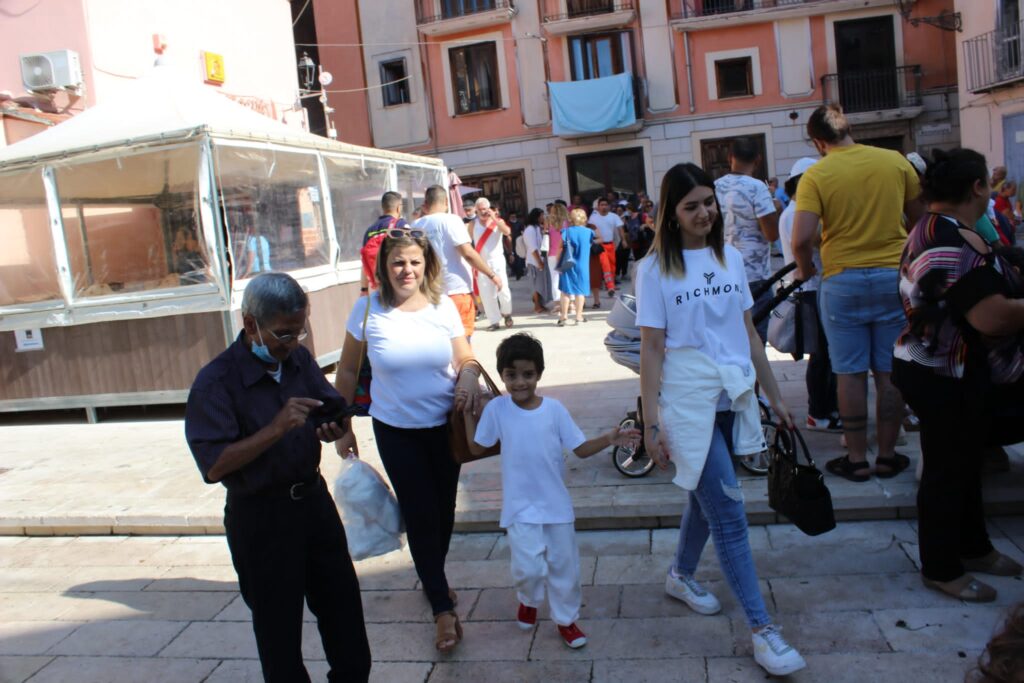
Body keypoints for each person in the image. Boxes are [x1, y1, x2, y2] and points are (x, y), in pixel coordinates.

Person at [637, 162, 806, 677]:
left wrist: (773, 396)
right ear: (672, 213)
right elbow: (650, 350)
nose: (705, 212)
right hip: (687, 403)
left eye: (709, 202)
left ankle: (681, 574)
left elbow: (748, 334)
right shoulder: (654, 271)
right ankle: (762, 630)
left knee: (704, 495)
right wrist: (649, 425)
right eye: (692, 206)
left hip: (731, 395)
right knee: (729, 512)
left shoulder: (730, 258)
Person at [185, 272, 371, 682]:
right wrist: (275, 428)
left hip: (313, 505)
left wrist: (335, 426)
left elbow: (331, 408)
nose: (294, 342)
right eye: (284, 334)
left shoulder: (298, 359)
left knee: (344, 616)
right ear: (251, 324)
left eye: (299, 330)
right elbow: (213, 465)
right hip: (261, 517)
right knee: (278, 633)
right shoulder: (215, 383)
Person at [334, 227, 485, 653]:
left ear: (427, 265)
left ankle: (431, 574)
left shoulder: (442, 307)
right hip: (395, 430)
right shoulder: (366, 310)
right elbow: (347, 372)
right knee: (420, 513)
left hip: (446, 427)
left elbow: (465, 358)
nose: (407, 270)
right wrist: (343, 424)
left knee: (444, 512)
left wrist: (470, 375)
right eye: (398, 262)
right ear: (384, 266)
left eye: (415, 262)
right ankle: (441, 607)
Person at [891, 148, 1024, 602]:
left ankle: (974, 548)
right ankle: (942, 568)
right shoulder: (944, 242)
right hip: (940, 371)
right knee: (948, 471)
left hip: (951, 368)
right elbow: (993, 318)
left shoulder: (946, 228)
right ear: (978, 188)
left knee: (965, 463)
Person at [462, 333, 639, 649]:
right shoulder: (497, 410)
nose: (519, 382)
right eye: (511, 375)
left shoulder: (554, 410)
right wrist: (465, 414)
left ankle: (566, 620)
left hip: (556, 507)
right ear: (501, 375)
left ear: (539, 374)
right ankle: (528, 599)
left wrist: (609, 438)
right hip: (519, 509)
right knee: (527, 568)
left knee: (564, 568)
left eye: (527, 374)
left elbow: (581, 449)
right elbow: (476, 448)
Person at [792, 104, 923, 482]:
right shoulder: (895, 162)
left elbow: (801, 238)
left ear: (818, 141)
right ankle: (886, 456)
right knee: (888, 371)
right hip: (891, 279)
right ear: (848, 128)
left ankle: (855, 459)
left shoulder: (816, 175)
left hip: (842, 280)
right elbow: (919, 220)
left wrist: (805, 268)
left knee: (848, 373)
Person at [778, 158, 841, 432]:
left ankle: (826, 408)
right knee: (822, 354)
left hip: (812, 289)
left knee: (824, 354)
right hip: (811, 289)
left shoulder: (793, 210)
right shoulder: (798, 212)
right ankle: (819, 412)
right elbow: (808, 242)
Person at [414, 185, 504, 339]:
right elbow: (468, 253)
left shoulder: (416, 225)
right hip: (456, 290)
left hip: (429, 292)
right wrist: (491, 274)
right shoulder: (452, 220)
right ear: (446, 202)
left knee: (438, 341)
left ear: (426, 203)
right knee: (462, 342)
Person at [714, 137, 779, 343]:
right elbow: (772, 234)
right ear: (758, 159)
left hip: (722, 273)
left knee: (731, 338)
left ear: (729, 157)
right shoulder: (758, 188)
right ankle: (756, 376)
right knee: (756, 339)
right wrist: (776, 209)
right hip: (754, 275)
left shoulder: (714, 187)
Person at [470, 197, 514, 331]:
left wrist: (494, 219)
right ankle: (494, 321)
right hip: (481, 262)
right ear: (476, 211)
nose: (483, 212)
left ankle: (507, 313)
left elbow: (507, 232)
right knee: (486, 293)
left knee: (503, 290)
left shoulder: (498, 221)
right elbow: (467, 241)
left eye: (485, 209)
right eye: (480, 210)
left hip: (497, 261)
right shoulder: (472, 224)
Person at [360, 191, 406, 295]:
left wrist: (364, 289)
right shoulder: (400, 225)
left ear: (383, 208)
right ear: (399, 208)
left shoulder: (370, 231)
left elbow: (364, 263)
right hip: (399, 287)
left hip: (379, 289)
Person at [556, 209, 594, 326]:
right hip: (582, 265)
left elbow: (560, 248)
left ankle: (563, 317)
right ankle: (578, 316)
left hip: (567, 263)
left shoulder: (566, 231)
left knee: (565, 291)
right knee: (580, 291)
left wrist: (558, 262)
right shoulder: (589, 232)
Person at [588, 198, 625, 298]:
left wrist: (624, 240)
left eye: (605, 205)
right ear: (598, 206)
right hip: (600, 246)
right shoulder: (593, 218)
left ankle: (609, 284)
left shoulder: (614, 216)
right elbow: (589, 229)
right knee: (606, 266)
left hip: (611, 244)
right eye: (602, 205)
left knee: (612, 266)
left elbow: (620, 228)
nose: (604, 207)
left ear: (608, 206)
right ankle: (610, 287)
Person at [523, 208, 552, 313]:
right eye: (541, 216)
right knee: (535, 285)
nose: (543, 218)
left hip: (540, 259)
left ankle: (541, 304)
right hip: (534, 261)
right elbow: (533, 248)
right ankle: (537, 305)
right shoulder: (530, 230)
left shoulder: (537, 228)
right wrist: (539, 261)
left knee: (541, 284)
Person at [547, 203, 568, 305]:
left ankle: (557, 303)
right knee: (567, 277)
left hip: (552, 253)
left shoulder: (549, 223)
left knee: (554, 278)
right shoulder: (567, 223)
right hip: (565, 253)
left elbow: (546, 238)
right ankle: (571, 302)